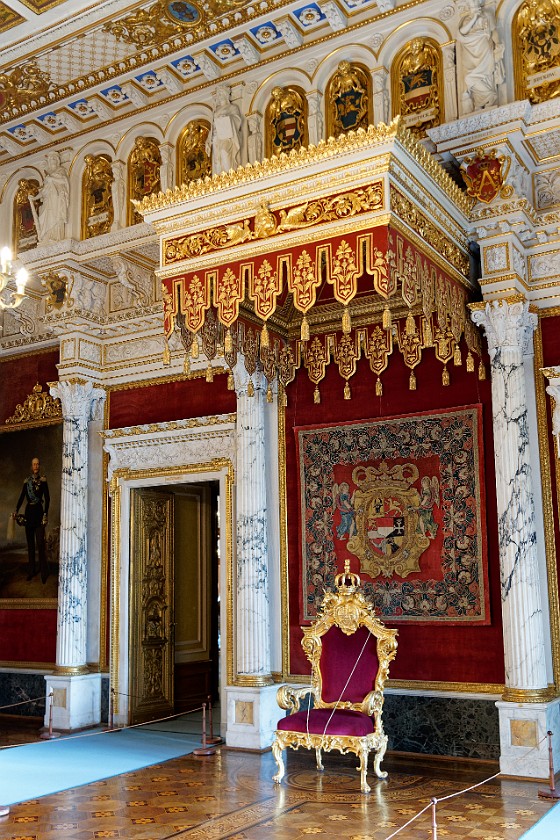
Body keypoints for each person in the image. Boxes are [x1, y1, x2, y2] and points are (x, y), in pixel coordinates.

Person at [458, 0, 504, 112]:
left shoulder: (487, 15)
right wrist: (474, 17)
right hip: (470, 52)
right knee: (469, 77)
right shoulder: (466, 19)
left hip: (484, 49)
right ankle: (481, 101)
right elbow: (462, 32)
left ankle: (490, 97)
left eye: (475, 4)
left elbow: (493, 32)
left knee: (485, 76)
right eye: (471, 4)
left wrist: (497, 44)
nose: (473, 6)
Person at [13, 457, 50, 583]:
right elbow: (21, 497)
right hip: (29, 514)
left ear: (39, 466)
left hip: (39, 513)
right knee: (30, 545)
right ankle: (31, 571)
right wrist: (16, 510)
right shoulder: (26, 481)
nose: (36, 466)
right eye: (34, 464)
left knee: (40, 544)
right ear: (31, 466)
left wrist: (45, 514)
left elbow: (48, 499)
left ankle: (43, 573)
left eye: (38, 464)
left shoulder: (43, 480)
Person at [29, 151, 70, 243]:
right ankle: (46, 238)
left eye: (54, 158)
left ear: (58, 160)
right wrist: (34, 198)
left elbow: (64, 181)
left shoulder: (61, 170)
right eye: (51, 159)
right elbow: (44, 191)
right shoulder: (47, 175)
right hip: (48, 200)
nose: (53, 160)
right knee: (44, 217)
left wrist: (51, 179)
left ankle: (56, 237)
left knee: (56, 216)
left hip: (57, 198)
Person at [206, 84, 242, 175]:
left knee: (224, 152)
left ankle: (229, 175)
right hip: (216, 137)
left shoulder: (232, 108)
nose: (220, 96)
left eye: (222, 94)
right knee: (217, 159)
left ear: (226, 95)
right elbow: (213, 126)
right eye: (219, 94)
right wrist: (208, 140)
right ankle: (220, 177)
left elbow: (237, 120)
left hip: (227, 136)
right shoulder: (216, 110)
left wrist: (227, 118)